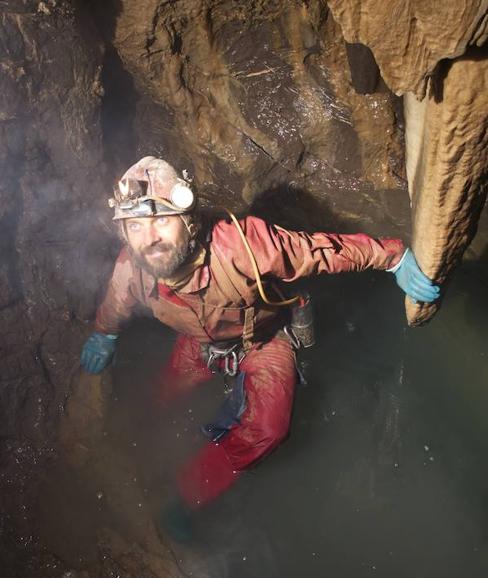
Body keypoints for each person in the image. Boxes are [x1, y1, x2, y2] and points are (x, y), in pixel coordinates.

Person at [80, 156, 440, 540]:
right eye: (135, 226)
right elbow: (117, 301)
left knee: (268, 430)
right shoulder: (131, 268)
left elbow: (319, 252)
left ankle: (187, 497)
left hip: (264, 340)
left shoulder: (243, 246)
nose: (148, 239)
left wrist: (392, 256)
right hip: (201, 343)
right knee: (163, 392)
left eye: (161, 221)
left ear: (188, 222)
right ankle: (134, 446)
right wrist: (105, 333)